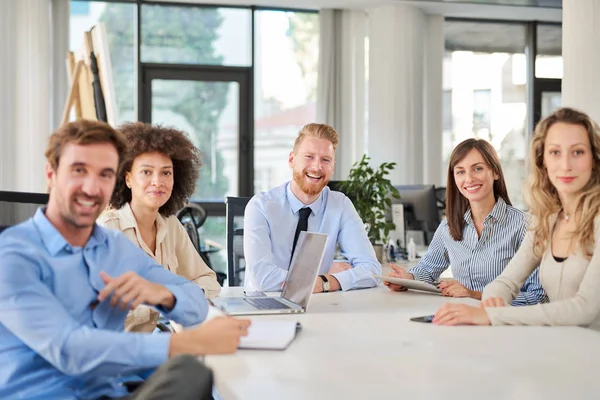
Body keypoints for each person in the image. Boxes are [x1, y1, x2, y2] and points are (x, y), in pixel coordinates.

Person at [0, 120, 250, 399]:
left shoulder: (114, 248)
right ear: (51, 174)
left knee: (196, 375)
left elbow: (195, 302)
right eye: (79, 171)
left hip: (110, 392)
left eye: (105, 174)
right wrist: (183, 343)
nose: (92, 187)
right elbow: (69, 350)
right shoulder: (12, 254)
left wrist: (163, 294)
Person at [433, 107, 600, 328]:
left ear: (594, 159)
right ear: (543, 161)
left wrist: (492, 316)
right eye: (555, 152)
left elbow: (584, 310)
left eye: (578, 152)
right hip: (560, 349)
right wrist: (494, 297)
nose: (566, 165)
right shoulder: (546, 221)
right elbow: (506, 281)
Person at [384, 139, 546, 305]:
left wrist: (476, 295)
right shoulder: (449, 226)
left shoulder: (524, 225)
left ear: (495, 172)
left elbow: (538, 297)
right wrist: (408, 279)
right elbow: (427, 268)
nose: (469, 179)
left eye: (477, 169)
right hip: (463, 319)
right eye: (460, 172)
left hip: (504, 323)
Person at [98, 122, 221, 332]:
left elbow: (208, 280)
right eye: (146, 172)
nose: (158, 181)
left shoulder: (170, 224)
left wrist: (173, 298)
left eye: (166, 173)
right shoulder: (108, 229)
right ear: (127, 178)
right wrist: (170, 299)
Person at [244, 123, 381, 293]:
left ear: (333, 166)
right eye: (309, 156)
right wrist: (320, 278)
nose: (317, 167)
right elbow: (262, 279)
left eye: (325, 160)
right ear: (292, 160)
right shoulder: (260, 206)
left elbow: (372, 270)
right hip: (263, 306)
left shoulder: (340, 205)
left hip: (317, 305)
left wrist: (325, 281)